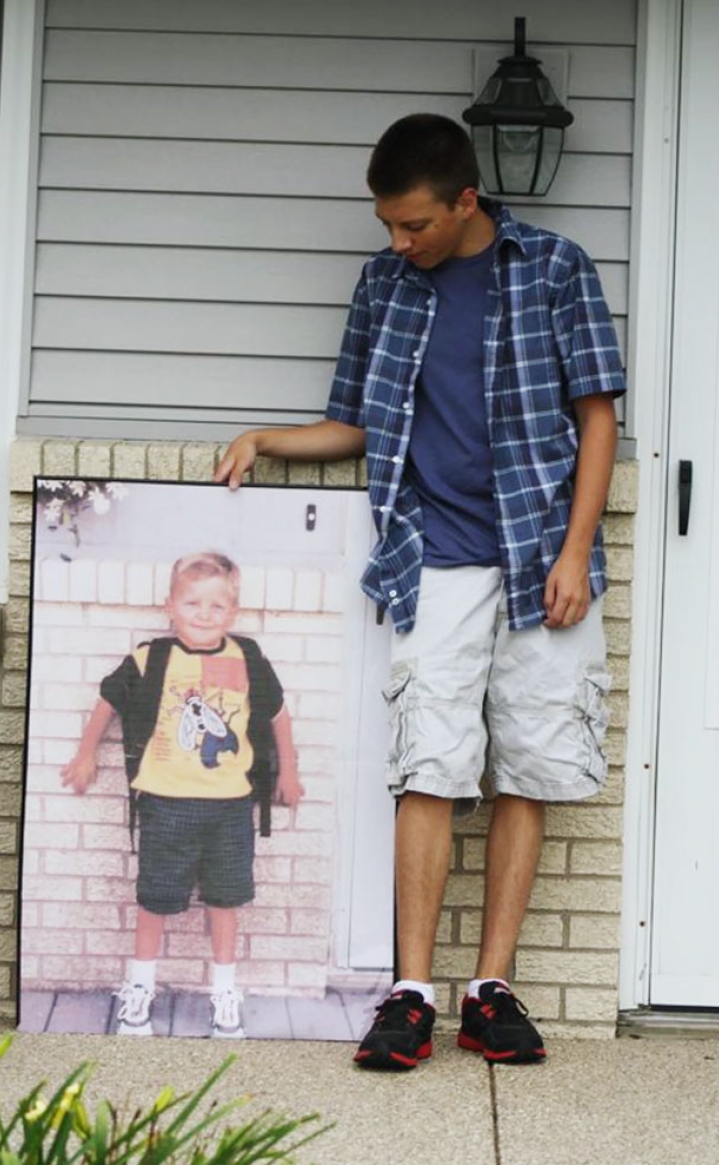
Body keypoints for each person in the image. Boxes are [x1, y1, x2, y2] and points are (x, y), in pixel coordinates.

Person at [214, 113, 625, 1069]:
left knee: (529, 763)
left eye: (413, 226)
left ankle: (491, 989)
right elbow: (353, 421)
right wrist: (266, 437)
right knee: (428, 764)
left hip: (540, 556)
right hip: (433, 556)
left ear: (464, 201)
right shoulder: (383, 285)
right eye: (389, 226)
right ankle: (410, 995)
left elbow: (597, 419)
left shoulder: (555, 268)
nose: (397, 242)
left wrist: (574, 552)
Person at [61, 551, 302, 1038]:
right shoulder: (152, 658)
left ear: (232, 613)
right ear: (170, 605)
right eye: (192, 603)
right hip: (165, 803)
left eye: (217, 607)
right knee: (156, 897)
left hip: (230, 807)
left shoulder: (247, 658)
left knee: (225, 899)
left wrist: (289, 772)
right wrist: (87, 754)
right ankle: (140, 989)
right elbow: (107, 702)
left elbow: (277, 716)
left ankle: (224, 994)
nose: (204, 614)